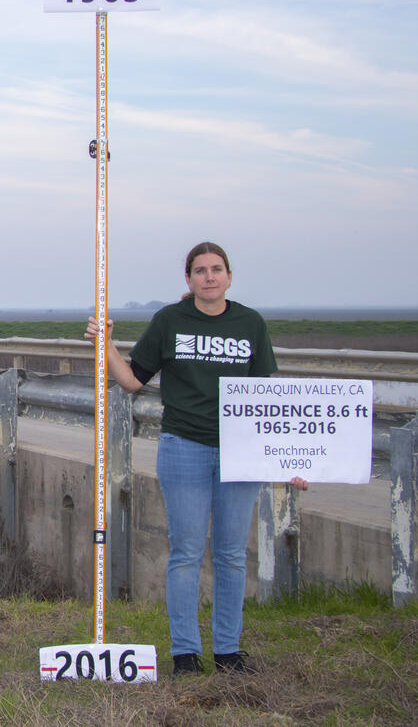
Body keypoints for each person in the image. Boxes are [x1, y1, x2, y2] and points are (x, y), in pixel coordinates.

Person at [85, 241, 307, 677]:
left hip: (239, 453)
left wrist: (288, 459)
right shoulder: (170, 321)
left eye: (216, 269)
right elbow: (132, 381)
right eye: (200, 270)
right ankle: (185, 652)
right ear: (188, 279)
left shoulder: (250, 324)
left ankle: (228, 651)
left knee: (230, 554)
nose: (209, 276)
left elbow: (269, 398)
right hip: (184, 447)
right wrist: (107, 346)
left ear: (229, 276)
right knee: (185, 552)